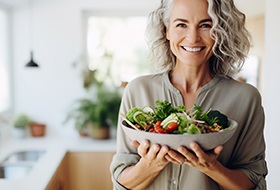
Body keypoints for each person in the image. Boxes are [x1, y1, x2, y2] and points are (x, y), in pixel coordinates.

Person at [110, 0, 268, 189]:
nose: (192, 38)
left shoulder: (246, 98)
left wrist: (211, 167)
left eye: (205, 25)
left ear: (220, 31)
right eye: (181, 24)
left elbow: (254, 182)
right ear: (167, 30)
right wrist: (151, 164)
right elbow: (121, 182)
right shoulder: (138, 90)